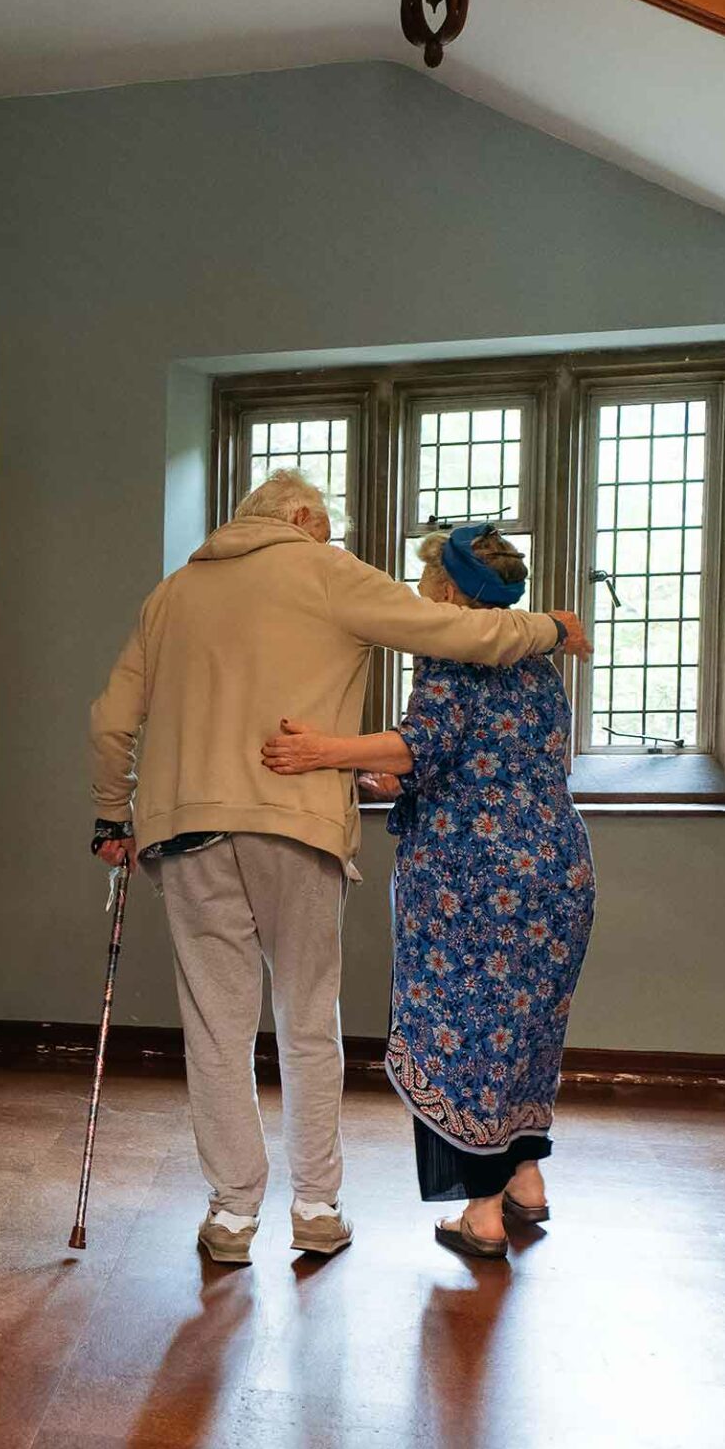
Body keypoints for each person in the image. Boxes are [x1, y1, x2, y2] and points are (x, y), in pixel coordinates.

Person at [88, 471, 589, 1265]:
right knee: (307, 1019)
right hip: (295, 827)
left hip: (185, 835)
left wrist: (112, 816)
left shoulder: (170, 592)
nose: (325, 539)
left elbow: (112, 720)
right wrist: (550, 630)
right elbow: (455, 633)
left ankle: (230, 1216)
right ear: (297, 517)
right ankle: (316, 1207)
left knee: (217, 1031)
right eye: (320, 527)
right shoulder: (325, 570)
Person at [260, 526, 596, 1260]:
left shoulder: (453, 652)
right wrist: (401, 779)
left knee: (466, 1033)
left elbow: (423, 739)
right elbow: (484, 755)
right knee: (527, 1031)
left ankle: (480, 1213)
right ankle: (526, 1179)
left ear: (447, 593)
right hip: (559, 867)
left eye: (424, 583)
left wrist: (325, 751)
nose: (415, 595)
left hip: (474, 878)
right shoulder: (538, 660)